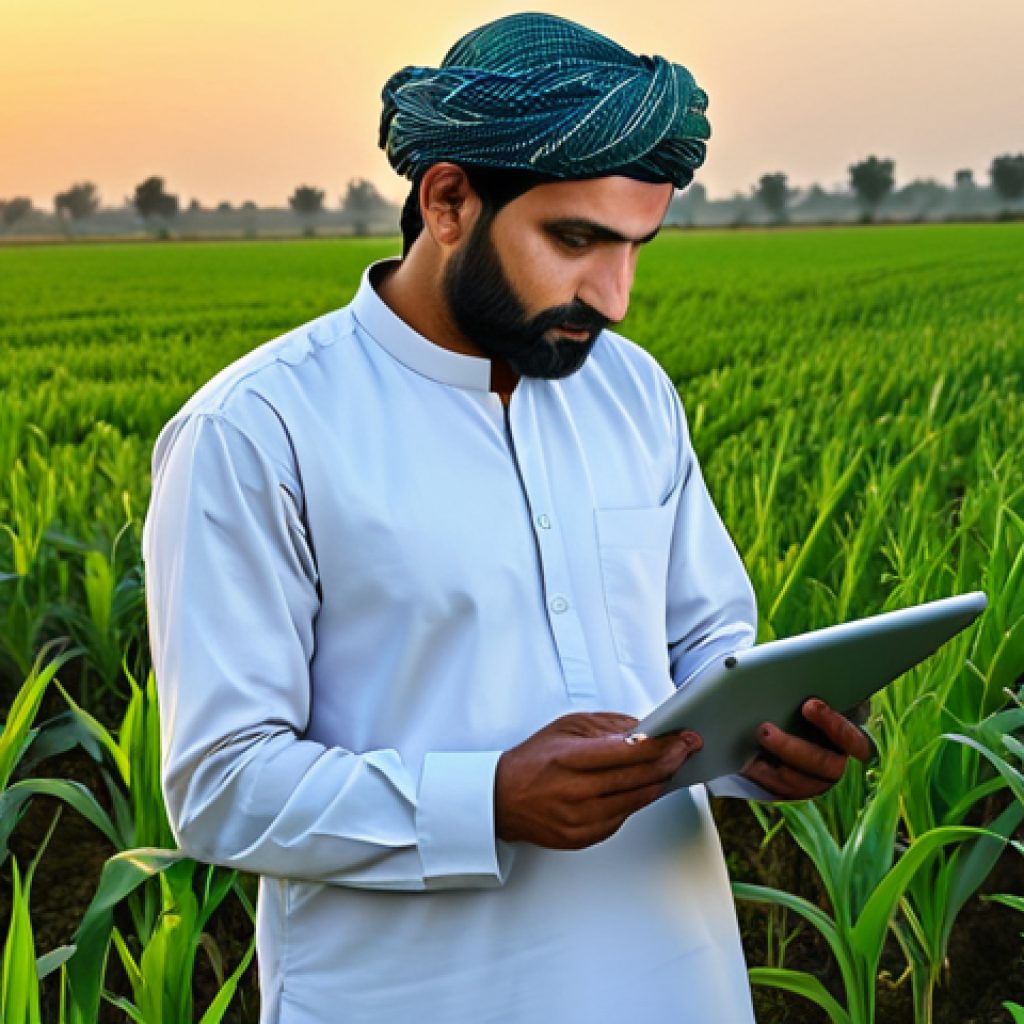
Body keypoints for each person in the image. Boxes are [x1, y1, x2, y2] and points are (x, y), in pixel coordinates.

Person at [142, 13, 872, 1024]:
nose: (613, 297)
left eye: (635, 248)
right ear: (447, 200)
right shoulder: (258, 428)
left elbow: (709, 646)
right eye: (575, 240)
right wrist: (484, 801)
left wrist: (771, 742)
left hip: (676, 976)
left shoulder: (632, 391)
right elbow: (220, 785)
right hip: (409, 997)